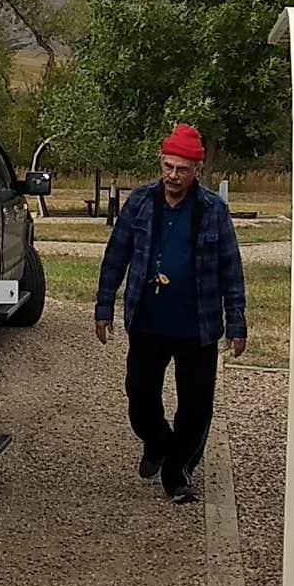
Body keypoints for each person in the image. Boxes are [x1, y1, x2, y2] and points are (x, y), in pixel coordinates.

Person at [93, 124, 247, 504]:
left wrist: (237, 321)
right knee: (140, 395)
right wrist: (103, 307)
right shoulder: (142, 202)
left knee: (196, 405)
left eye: (181, 169)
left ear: (196, 169)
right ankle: (158, 441)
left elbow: (231, 267)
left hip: (198, 323)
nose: (172, 176)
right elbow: (117, 256)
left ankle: (178, 471)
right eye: (167, 167)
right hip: (148, 320)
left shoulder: (214, 210)